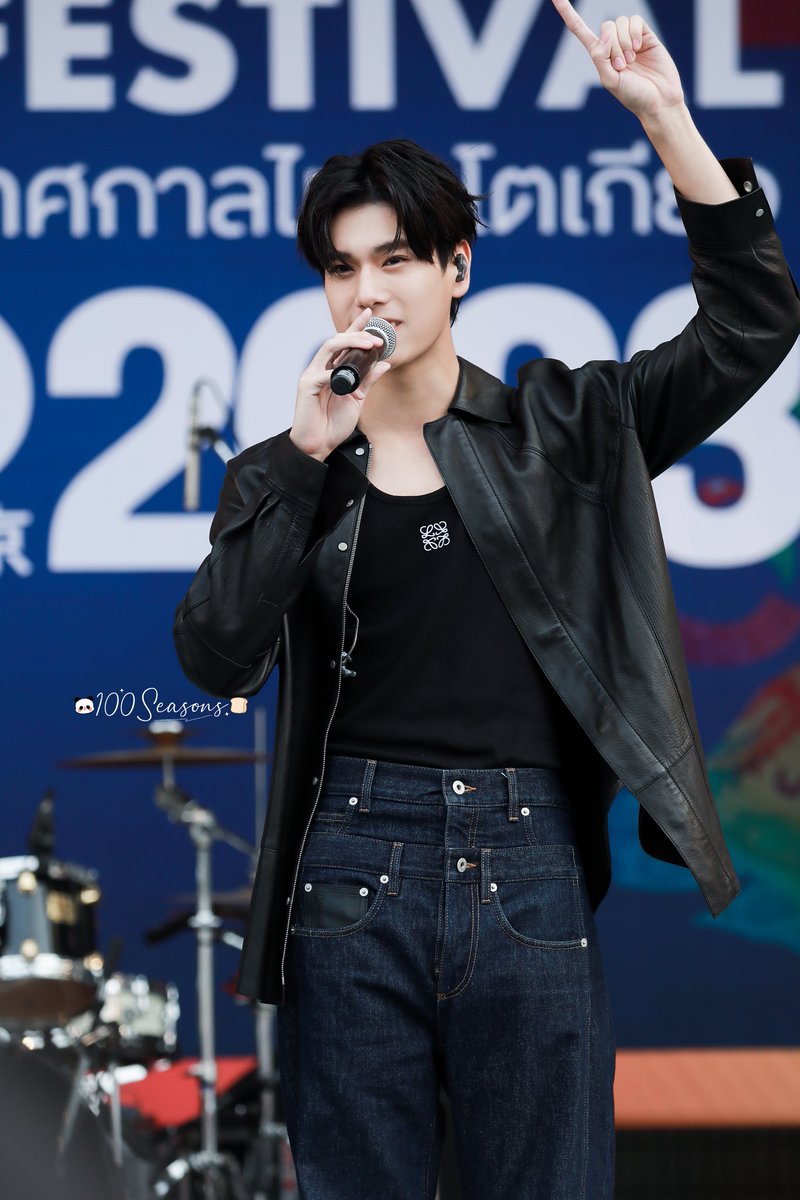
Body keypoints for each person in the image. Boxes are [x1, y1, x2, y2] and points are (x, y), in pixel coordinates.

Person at [173, 3, 800, 1197]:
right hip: (347, 869)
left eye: (397, 259)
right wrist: (303, 459)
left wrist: (664, 118)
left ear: (456, 267)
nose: (368, 290)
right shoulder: (283, 469)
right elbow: (212, 655)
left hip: (524, 862)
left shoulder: (565, 428)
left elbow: (750, 323)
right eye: (343, 266)